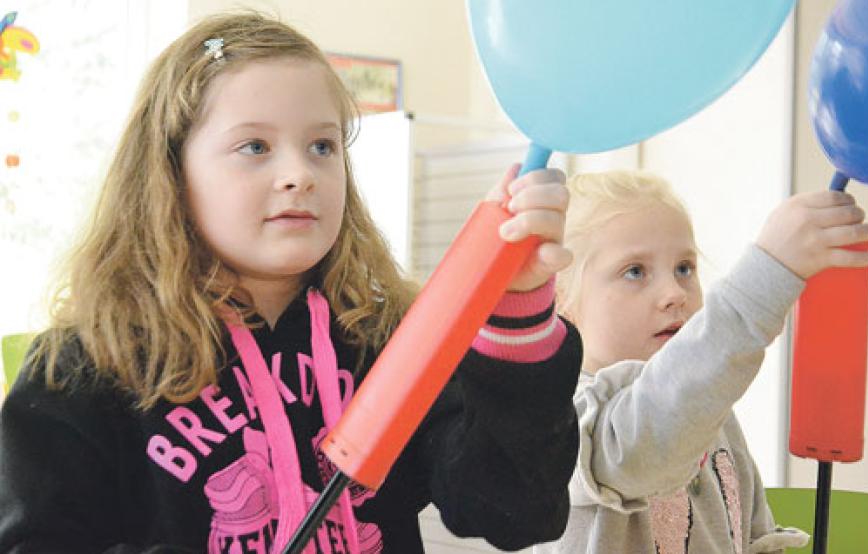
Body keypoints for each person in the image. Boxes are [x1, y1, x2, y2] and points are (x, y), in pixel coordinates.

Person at [0, 13, 583, 554]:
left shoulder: (385, 339)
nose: (300, 175)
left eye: (322, 146)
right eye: (254, 146)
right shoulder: (84, 366)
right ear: (171, 175)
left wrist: (518, 307)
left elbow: (514, 511)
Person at [536, 171, 868, 553]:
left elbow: (752, 537)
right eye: (634, 272)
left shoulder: (712, 419)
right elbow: (645, 437)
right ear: (562, 300)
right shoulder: (562, 419)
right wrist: (764, 281)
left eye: (684, 268)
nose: (673, 293)